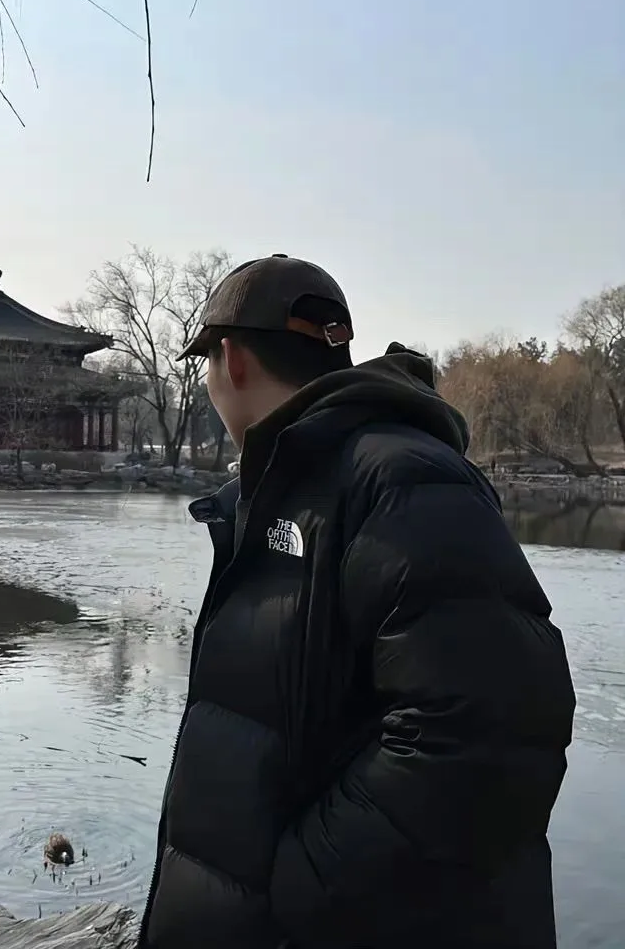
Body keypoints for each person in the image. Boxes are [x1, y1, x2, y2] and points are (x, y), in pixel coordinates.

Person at [137, 255, 575, 949]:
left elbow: (488, 732)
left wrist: (296, 890)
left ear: (231, 360)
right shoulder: (286, 490)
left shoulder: (399, 479)